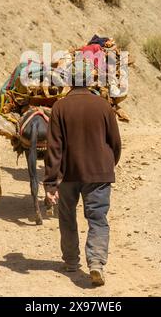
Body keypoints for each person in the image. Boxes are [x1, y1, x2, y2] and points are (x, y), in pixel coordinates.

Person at [43, 80, 121, 286]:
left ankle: (70, 261)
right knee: (97, 218)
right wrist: (107, 165)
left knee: (67, 216)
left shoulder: (59, 107)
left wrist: (51, 183)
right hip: (99, 174)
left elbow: (54, 148)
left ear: (69, 83)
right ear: (90, 83)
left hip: (69, 174)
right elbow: (115, 142)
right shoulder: (103, 105)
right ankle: (96, 262)